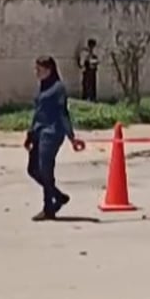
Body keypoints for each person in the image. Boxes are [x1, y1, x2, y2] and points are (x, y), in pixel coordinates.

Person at [25, 56, 85, 221]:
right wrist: (30, 134)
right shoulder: (42, 87)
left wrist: (71, 137)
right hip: (39, 131)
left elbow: (63, 113)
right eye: (36, 69)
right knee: (32, 169)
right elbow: (38, 112)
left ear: (49, 70)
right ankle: (57, 196)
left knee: (46, 169)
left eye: (39, 69)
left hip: (52, 133)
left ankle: (48, 208)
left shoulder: (58, 88)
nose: (36, 72)